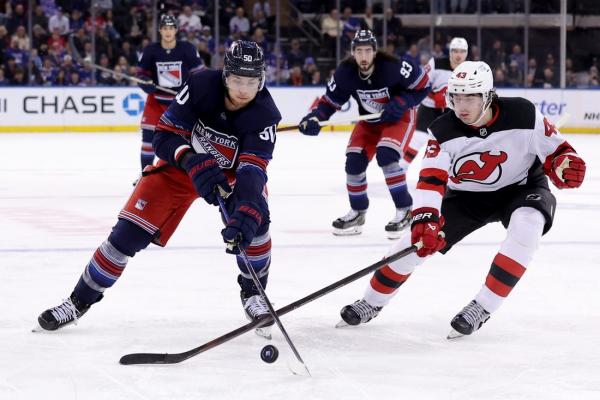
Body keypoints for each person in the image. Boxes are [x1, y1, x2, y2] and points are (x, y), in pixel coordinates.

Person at [37, 41, 282, 335]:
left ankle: (253, 292)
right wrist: (190, 159)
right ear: (225, 75)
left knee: (255, 221)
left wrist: (248, 204)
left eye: (251, 81)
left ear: (262, 80)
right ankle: (78, 301)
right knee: (125, 236)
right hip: (181, 170)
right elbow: (163, 136)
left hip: (231, 178)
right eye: (237, 80)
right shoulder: (201, 85)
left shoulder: (266, 115)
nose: (244, 89)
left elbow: (253, 171)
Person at [338, 61, 586, 337]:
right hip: (467, 197)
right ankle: (371, 302)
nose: (462, 106)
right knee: (412, 243)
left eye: (470, 97)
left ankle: (483, 306)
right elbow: (431, 180)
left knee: (527, 227)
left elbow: (560, 151)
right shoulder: (443, 130)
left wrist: (565, 163)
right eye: (456, 97)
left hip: (522, 187)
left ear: (488, 95)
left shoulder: (524, 114)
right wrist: (425, 218)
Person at [298, 29, 430, 239]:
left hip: (399, 118)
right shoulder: (344, 73)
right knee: (353, 162)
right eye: (359, 51)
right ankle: (358, 213)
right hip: (369, 122)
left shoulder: (395, 67)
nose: (364, 56)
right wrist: (315, 118)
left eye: (368, 51)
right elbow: (329, 103)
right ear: (352, 53)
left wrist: (402, 102)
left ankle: (405, 211)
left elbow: (423, 86)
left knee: (387, 156)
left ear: (375, 52)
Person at [136, 14, 204, 171]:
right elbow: (141, 73)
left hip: (180, 103)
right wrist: (145, 82)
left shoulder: (187, 49)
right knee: (148, 139)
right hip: (156, 101)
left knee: (185, 139)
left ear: (176, 30)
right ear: (160, 30)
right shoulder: (151, 50)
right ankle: (145, 175)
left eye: (171, 28)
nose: (168, 31)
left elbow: (200, 74)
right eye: (165, 28)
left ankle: (184, 174)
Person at [403, 37, 468, 166]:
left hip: (451, 111)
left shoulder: (469, 69)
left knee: (450, 144)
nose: (458, 55)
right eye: (455, 51)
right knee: (418, 139)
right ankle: (401, 170)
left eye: (462, 51)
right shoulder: (435, 63)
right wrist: (434, 95)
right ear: (450, 52)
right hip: (429, 108)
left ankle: (449, 176)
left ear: (466, 53)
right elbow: (422, 82)